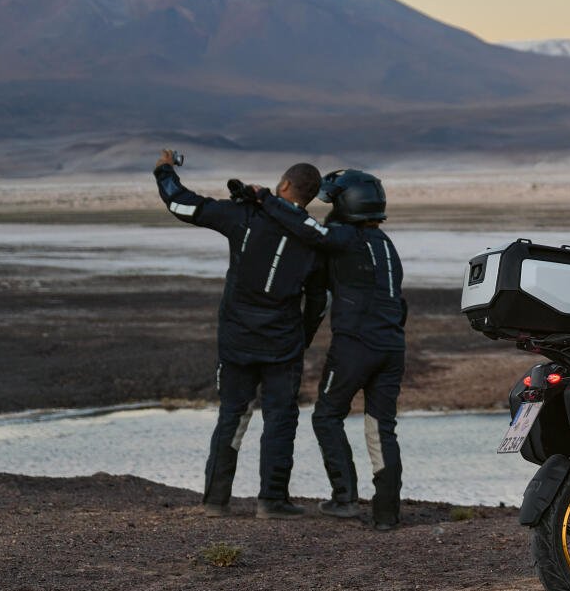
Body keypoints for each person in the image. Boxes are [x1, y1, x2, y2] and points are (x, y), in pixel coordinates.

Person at [151, 149, 326, 518]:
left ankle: (216, 501)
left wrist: (164, 170)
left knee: (232, 414)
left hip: (237, 339)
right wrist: (303, 339)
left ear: (284, 185)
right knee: (280, 417)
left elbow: (182, 205)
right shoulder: (314, 238)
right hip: (283, 344)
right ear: (310, 196)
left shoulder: (244, 215)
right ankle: (272, 501)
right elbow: (318, 301)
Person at [257, 169, 408, 530]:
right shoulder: (386, 244)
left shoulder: (346, 238)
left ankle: (345, 499)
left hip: (356, 346)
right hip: (393, 347)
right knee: (381, 428)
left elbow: (309, 231)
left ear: (348, 204)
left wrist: (266, 201)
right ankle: (386, 515)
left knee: (326, 416)